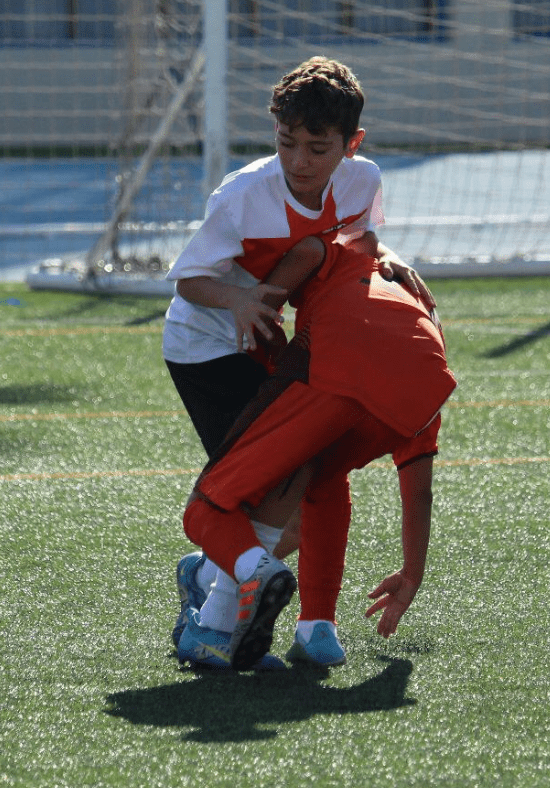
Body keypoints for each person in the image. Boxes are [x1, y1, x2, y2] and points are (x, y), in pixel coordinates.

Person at [163, 56, 433, 668]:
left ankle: (216, 583)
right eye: (288, 144)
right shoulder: (242, 195)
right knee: (265, 490)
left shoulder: (362, 180)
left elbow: (351, 241)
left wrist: (390, 257)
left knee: (300, 478)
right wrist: (237, 298)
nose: (300, 162)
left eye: (318, 148)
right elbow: (187, 282)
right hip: (205, 347)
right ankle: (211, 622)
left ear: (351, 144)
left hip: (269, 344)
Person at [181, 236, 456, 670]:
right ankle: (317, 630)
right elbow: (420, 493)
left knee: (205, 508)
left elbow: (309, 250)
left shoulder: (335, 250)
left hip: (335, 355)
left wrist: (252, 305)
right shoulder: (400, 285)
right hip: (426, 374)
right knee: (322, 478)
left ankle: (242, 583)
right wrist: (411, 573)